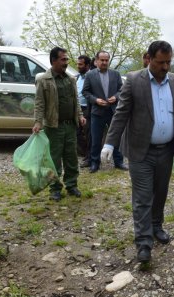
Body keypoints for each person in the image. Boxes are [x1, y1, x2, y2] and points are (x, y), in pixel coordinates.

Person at [100, 40, 174, 263]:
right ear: (149, 59)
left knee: (161, 193)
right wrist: (110, 143)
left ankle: (157, 226)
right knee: (142, 198)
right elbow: (121, 113)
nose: (166, 67)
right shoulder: (133, 80)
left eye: (168, 62)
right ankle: (144, 242)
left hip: (167, 151)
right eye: (160, 62)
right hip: (141, 151)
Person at [33, 47, 86, 201]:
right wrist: (38, 122)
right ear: (53, 61)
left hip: (70, 126)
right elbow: (39, 103)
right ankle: (55, 188)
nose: (66, 62)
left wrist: (80, 116)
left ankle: (71, 185)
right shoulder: (44, 80)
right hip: (53, 127)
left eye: (67, 59)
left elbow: (75, 102)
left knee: (71, 158)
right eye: (63, 59)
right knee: (54, 159)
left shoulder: (71, 79)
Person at [82, 50, 127, 173]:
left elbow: (121, 90)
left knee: (116, 137)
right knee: (96, 139)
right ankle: (94, 163)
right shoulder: (90, 75)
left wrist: (116, 97)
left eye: (106, 60)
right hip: (97, 112)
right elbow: (85, 92)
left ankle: (119, 161)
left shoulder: (115, 74)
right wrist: (96, 100)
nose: (104, 62)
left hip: (113, 112)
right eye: (102, 60)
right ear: (96, 61)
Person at [76, 55, 92, 167]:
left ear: (87, 65)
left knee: (88, 133)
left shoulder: (92, 76)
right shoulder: (77, 77)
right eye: (77, 64)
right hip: (77, 108)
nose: (78, 66)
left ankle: (89, 157)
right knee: (77, 133)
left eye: (80, 64)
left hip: (88, 108)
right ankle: (86, 154)